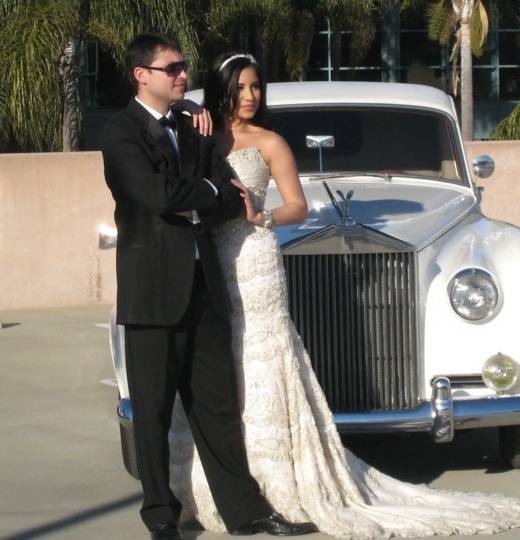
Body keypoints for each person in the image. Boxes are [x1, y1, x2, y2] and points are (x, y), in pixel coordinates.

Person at [167, 51, 520, 538]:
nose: (250, 96)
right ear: (222, 90)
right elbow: (165, 133)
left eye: (257, 87)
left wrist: (263, 216)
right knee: (218, 362)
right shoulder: (200, 133)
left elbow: (297, 205)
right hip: (212, 257)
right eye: (240, 88)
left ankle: (279, 480)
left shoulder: (271, 141)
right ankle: (217, 481)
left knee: (263, 362)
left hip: (256, 257)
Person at [100, 34, 315, 539]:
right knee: (152, 411)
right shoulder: (119, 133)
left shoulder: (195, 128)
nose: (182, 75)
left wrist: (204, 193)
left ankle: (245, 512)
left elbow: (229, 199)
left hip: (206, 285)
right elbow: (155, 195)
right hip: (152, 292)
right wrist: (210, 191)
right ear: (142, 75)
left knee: (217, 407)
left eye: (183, 67)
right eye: (171, 67)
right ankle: (160, 516)